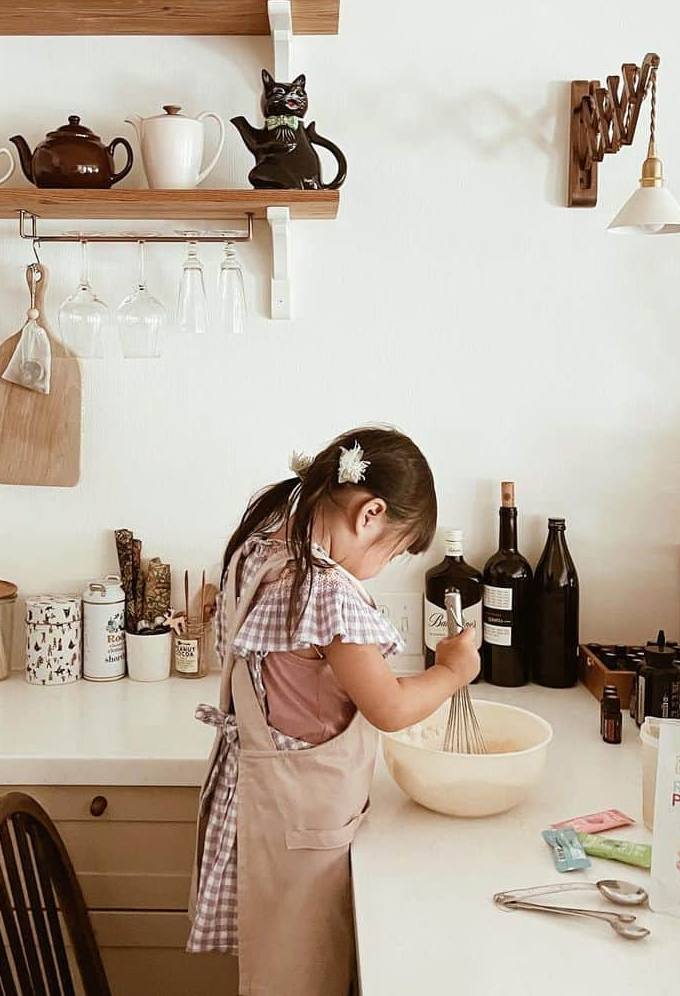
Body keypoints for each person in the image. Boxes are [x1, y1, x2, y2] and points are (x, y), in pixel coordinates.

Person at [187, 426, 482, 996]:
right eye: (393, 551)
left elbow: (333, 682)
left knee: (278, 969)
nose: (383, 566)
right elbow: (390, 707)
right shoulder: (325, 593)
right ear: (369, 514)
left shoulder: (262, 549)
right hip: (304, 822)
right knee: (300, 974)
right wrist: (451, 672)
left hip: (267, 803)